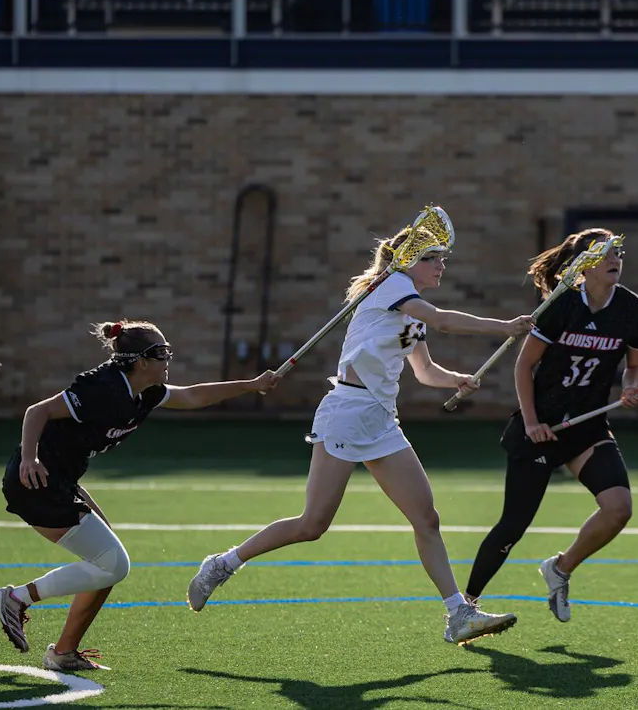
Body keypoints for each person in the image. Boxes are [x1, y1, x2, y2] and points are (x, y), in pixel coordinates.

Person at [186, 220, 535, 645]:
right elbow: (443, 320)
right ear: (410, 261)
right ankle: (223, 564)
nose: (441, 265)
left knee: (426, 517)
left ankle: (457, 613)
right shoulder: (392, 289)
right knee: (313, 524)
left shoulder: (411, 311)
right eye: (433, 258)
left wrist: (456, 378)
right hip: (347, 412)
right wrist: (505, 327)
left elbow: (424, 372)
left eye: (442, 258)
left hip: (381, 419)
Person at [0, 320, 278, 671]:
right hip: (37, 481)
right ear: (141, 361)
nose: (168, 358)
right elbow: (39, 411)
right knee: (114, 563)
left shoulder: (146, 391)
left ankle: (63, 652)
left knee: (107, 563)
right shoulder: (103, 387)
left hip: (64, 480)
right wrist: (30, 458)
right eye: (162, 353)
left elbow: (192, 395)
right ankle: (16, 598)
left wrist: (251, 386)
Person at [463, 228, 638, 623]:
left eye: (618, 252)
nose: (615, 260)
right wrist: (532, 423)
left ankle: (560, 568)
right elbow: (524, 364)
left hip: (588, 427)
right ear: (583, 265)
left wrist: (632, 389)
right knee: (513, 525)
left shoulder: (633, 309)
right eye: (604, 255)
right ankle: (465, 606)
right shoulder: (562, 305)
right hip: (541, 427)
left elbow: (635, 367)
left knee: (618, 509)